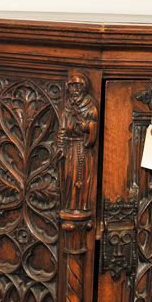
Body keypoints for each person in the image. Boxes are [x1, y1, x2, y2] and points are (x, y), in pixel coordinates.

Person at [58, 73, 98, 213]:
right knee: (69, 178)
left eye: (77, 86)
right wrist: (61, 146)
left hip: (83, 147)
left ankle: (81, 207)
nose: (74, 89)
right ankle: (69, 206)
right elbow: (62, 128)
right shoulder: (67, 107)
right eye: (71, 86)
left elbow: (93, 125)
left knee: (82, 179)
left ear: (83, 88)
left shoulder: (89, 106)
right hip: (70, 148)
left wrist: (87, 127)